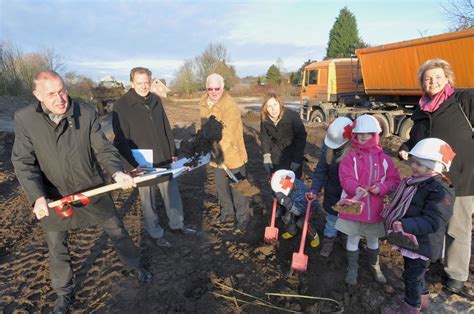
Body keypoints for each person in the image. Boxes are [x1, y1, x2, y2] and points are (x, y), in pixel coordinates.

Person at [11, 70, 152, 314]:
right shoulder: (25, 119)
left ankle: (133, 264)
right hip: (55, 197)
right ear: (37, 95)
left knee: (117, 229)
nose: (60, 98)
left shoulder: (85, 112)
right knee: (57, 246)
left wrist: (117, 172)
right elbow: (23, 162)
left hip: (92, 188)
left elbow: (103, 148)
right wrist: (37, 197)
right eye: (52, 94)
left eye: (62, 90)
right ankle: (64, 291)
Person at [398, 58, 474, 294]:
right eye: (428, 78)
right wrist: (406, 146)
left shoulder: (463, 100)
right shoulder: (421, 110)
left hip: (460, 177)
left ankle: (457, 274)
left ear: (448, 79)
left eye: (438, 77)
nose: (433, 82)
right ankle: (435, 259)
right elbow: (416, 139)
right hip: (429, 181)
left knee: (457, 227)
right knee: (433, 221)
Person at [112, 67, 195, 248]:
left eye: (147, 82)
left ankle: (177, 225)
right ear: (132, 83)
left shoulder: (156, 100)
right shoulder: (121, 106)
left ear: (151, 82)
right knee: (148, 201)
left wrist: (173, 152)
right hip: (141, 162)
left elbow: (166, 128)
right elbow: (120, 140)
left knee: (172, 194)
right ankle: (156, 233)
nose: (144, 86)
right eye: (139, 83)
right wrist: (131, 166)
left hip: (164, 158)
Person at [382, 138, 455, 314]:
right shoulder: (419, 182)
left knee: (412, 277)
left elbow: (433, 221)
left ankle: (410, 307)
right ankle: (421, 300)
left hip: (423, 244)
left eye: (420, 164)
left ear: (434, 167)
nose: (413, 166)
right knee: (415, 274)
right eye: (414, 162)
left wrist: (404, 224)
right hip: (414, 241)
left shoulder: (439, 190)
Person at [337, 114, 401, 285]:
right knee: (353, 237)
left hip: (374, 207)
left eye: (369, 133)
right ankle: (353, 268)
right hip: (353, 206)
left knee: (373, 239)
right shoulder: (350, 157)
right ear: (355, 135)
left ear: (375, 134)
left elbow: (394, 181)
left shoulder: (384, 159)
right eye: (360, 133)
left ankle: (375, 265)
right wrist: (355, 189)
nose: (364, 136)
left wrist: (382, 188)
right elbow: (346, 178)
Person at [199, 73, 250, 233]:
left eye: (217, 88)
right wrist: (202, 143)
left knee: (238, 188)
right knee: (221, 187)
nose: (213, 91)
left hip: (233, 154)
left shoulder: (230, 105)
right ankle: (227, 213)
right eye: (210, 88)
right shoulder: (203, 102)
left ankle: (243, 217)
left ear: (223, 87)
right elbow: (202, 125)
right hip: (215, 156)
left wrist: (217, 151)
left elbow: (228, 133)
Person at [311, 116, 353, 257]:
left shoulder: (356, 154)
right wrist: (315, 189)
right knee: (332, 219)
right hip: (333, 192)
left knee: (347, 219)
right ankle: (329, 240)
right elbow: (321, 171)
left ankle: (344, 236)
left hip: (350, 196)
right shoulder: (328, 151)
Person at [260, 93, 307, 178]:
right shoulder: (265, 119)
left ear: (280, 104)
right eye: (269, 106)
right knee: (278, 184)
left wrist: (296, 159)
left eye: (275, 104)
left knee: (293, 184)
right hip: (276, 156)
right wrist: (266, 155)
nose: (273, 109)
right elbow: (264, 137)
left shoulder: (292, 116)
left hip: (293, 154)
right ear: (265, 108)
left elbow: (301, 138)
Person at [272, 169, 320, 240]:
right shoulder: (291, 182)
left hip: (308, 208)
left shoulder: (300, 194)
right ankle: (292, 232)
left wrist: (287, 203)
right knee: (287, 219)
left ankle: (314, 236)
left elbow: (299, 211)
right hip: (293, 204)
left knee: (301, 222)